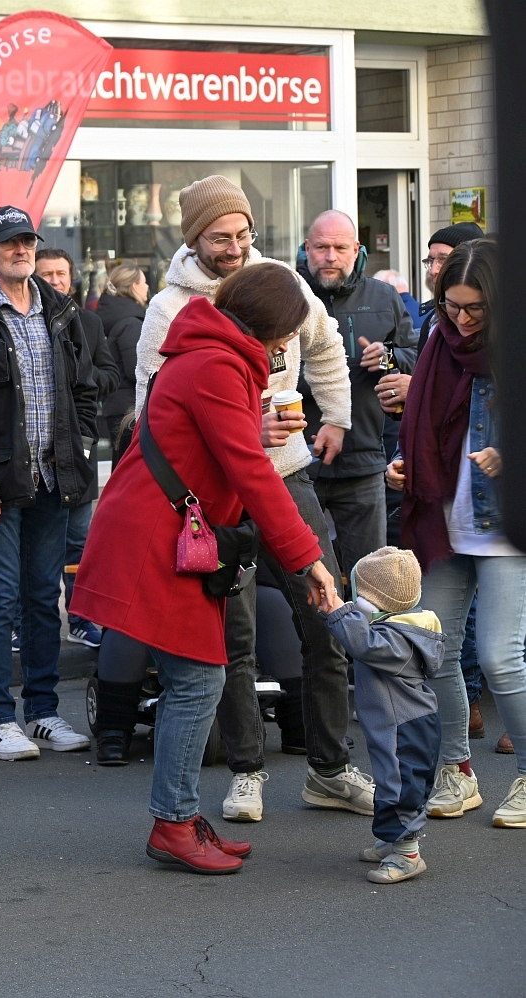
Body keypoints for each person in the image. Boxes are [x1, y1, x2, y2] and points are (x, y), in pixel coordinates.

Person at [73, 264, 335, 874]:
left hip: (164, 530)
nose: (287, 346)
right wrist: (309, 560)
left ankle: (181, 815)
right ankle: (173, 822)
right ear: (267, 325)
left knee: (200, 678)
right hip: (157, 536)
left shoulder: (213, 353)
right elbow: (250, 471)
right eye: (288, 334)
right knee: (198, 680)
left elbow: (225, 450)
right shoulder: (219, 364)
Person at [132, 176, 368, 824]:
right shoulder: (169, 310)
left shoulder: (280, 286)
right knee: (232, 637)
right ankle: (247, 771)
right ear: (194, 240)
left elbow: (324, 345)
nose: (235, 247)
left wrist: (337, 418)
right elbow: (151, 415)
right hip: (213, 495)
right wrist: (236, 430)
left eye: (243, 234)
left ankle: (330, 767)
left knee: (326, 613)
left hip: (287, 473)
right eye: (220, 238)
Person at [0, 205, 98, 760]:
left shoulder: (59, 308)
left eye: (28, 240)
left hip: (54, 480)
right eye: (9, 242)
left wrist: (78, 442)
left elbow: (85, 387)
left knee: (41, 598)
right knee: (0, 599)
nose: (21, 250)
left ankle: (42, 712)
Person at [389, 238, 526, 828]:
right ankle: (455, 770)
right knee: (432, 650)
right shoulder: (436, 341)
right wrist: (404, 465)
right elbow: (422, 422)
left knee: (500, 657)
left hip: (505, 529)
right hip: (445, 519)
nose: (462, 320)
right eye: (452, 306)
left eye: (476, 309)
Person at [297, 210, 417, 591]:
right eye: (321, 247)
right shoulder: (286, 295)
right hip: (298, 459)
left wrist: (389, 357)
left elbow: (417, 354)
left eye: (339, 248)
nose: (330, 256)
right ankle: (321, 651)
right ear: (306, 249)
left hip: (364, 459)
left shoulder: (383, 297)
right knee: (306, 580)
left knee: (370, 578)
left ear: (356, 251)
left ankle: (364, 652)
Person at [320, 547, 443, 884]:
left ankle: (408, 854)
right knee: (393, 782)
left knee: (398, 787)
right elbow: (360, 635)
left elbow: (362, 643)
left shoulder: (397, 639)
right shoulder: (398, 627)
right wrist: (337, 613)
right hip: (400, 724)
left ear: (372, 601)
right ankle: (395, 840)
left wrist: (338, 610)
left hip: (405, 728)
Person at [36, 246, 118, 650]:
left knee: (81, 543)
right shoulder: (27, 324)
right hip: (35, 451)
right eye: (46, 273)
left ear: (72, 278)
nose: (54, 281)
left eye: (60, 274)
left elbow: (110, 374)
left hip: (78, 446)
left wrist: (79, 381)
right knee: (38, 546)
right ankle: (34, 622)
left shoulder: (88, 321)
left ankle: (82, 618)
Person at [375, 221, 484, 417]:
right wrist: (397, 400)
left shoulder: (496, 326)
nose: (433, 270)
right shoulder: (431, 320)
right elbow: (414, 358)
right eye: (430, 261)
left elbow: (479, 400)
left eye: (443, 259)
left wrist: (416, 390)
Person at [94, 264, 147, 465]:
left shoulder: (113, 319)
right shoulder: (131, 323)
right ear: (134, 287)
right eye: (143, 282)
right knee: (129, 468)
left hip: (116, 406)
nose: (147, 286)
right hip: (129, 410)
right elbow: (137, 369)